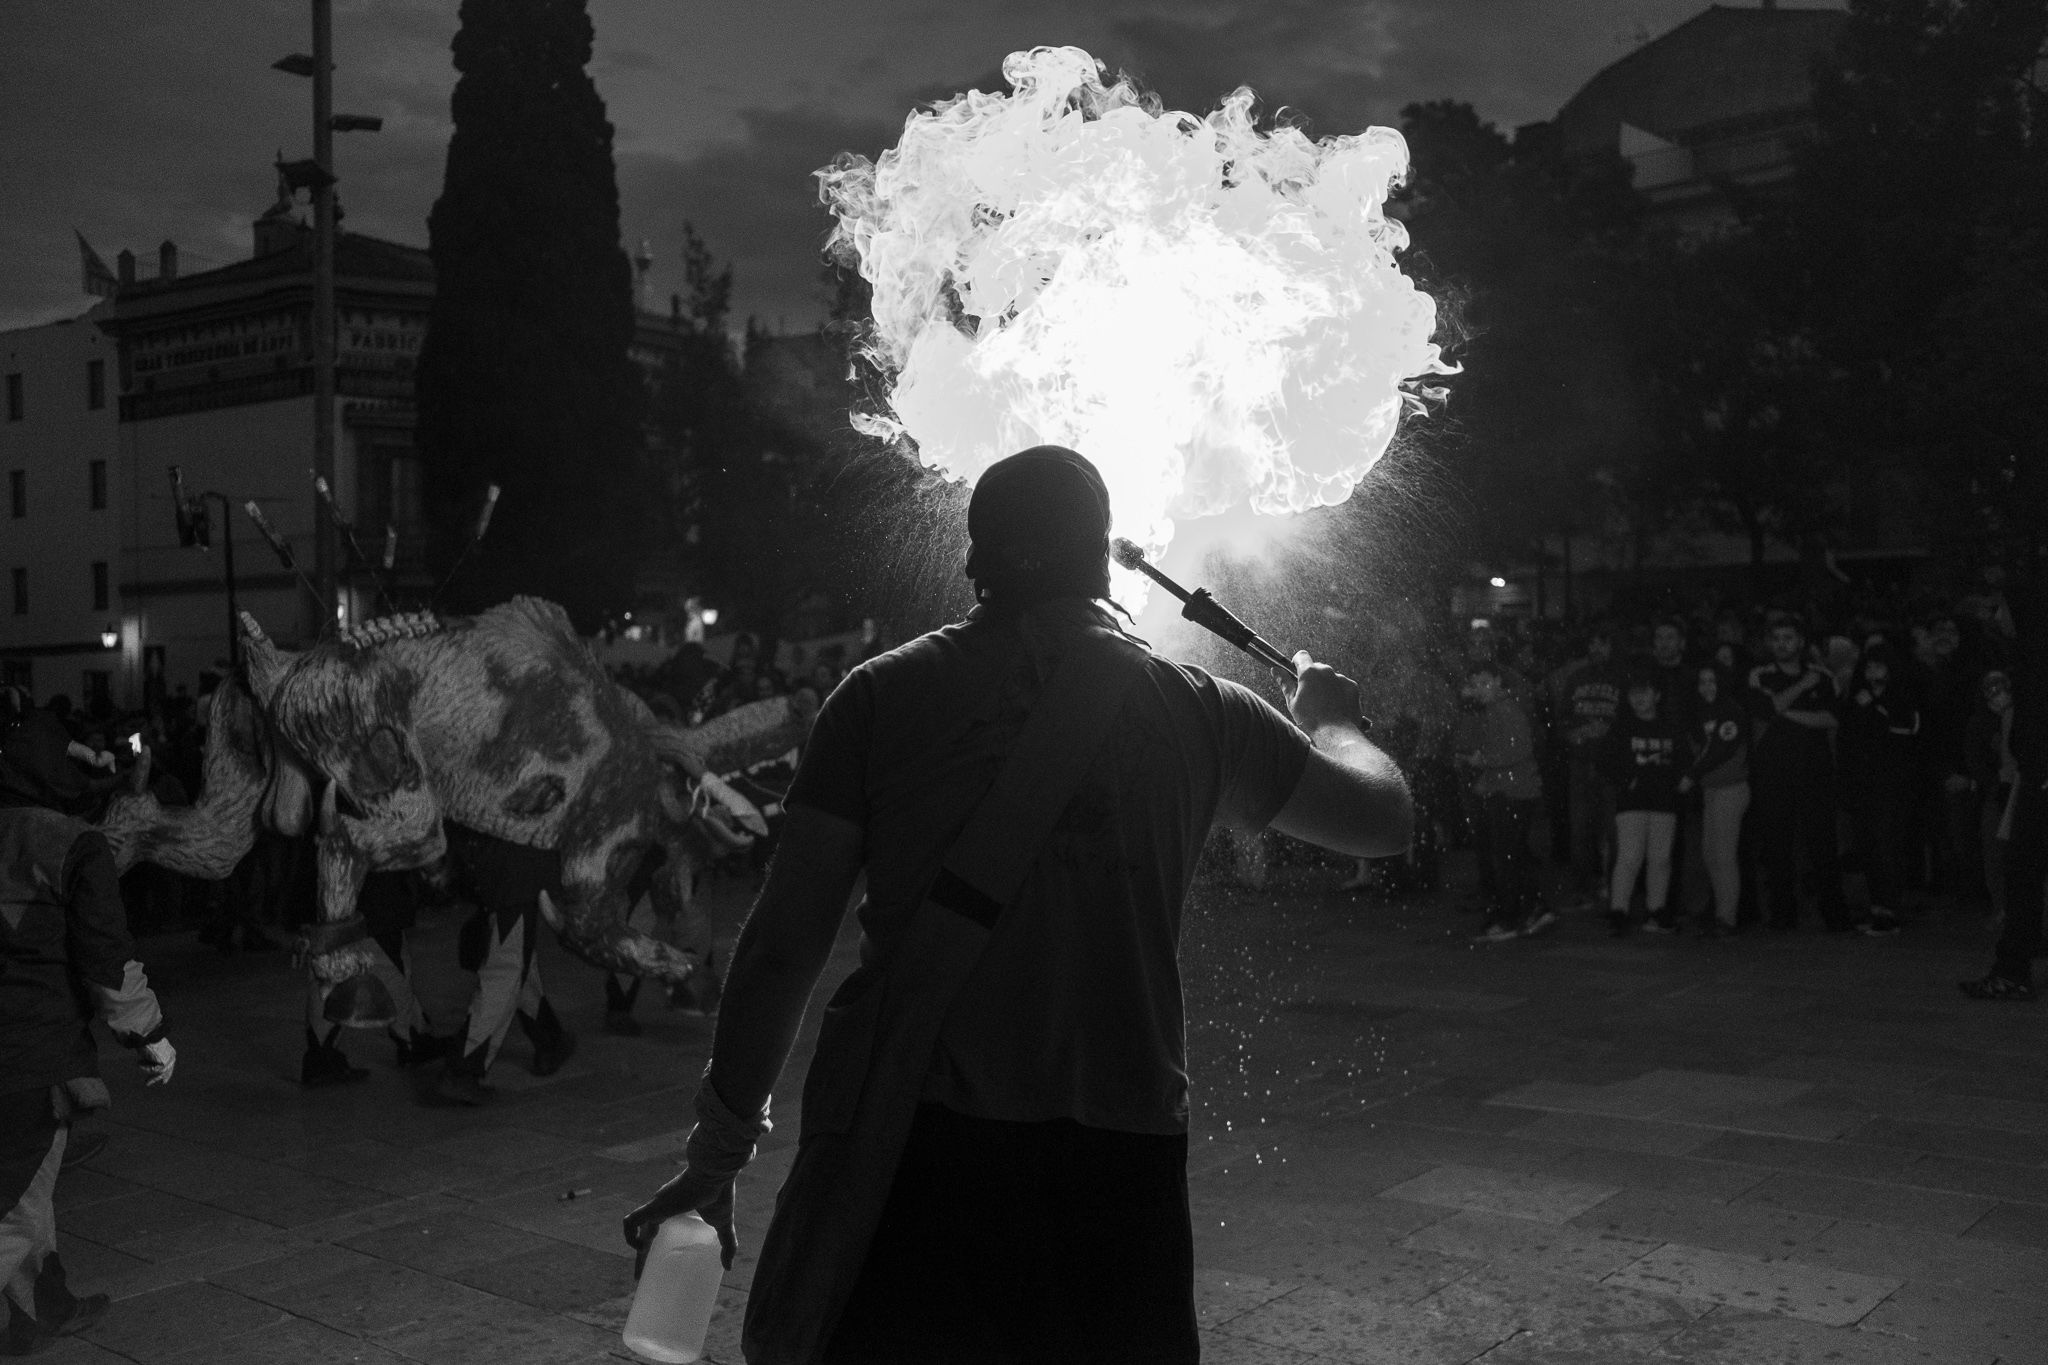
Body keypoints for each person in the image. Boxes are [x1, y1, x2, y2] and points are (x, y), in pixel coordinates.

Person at [621, 445, 1411, 1364]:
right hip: (1119, 1164)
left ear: (972, 561)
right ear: (1106, 553)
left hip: (920, 1155)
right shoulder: (1201, 710)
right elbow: (1383, 817)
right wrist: (1333, 718)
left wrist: (714, 1161)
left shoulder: (879, 697)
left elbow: (782, 949)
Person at [1, 703, 176, 1354]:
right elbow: (106, 963)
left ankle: (42, 1305)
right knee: (15, 1200)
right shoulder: (73, 844)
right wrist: (150, 1033)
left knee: (27, 1190)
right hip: (38, 1055)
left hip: (18, 1054)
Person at [1746, 613, 1851, 931]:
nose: (1782, 644)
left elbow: (1832, 719)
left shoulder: (1823, 674)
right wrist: (1801, 689)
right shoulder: (1760, 675)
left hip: (1814, 771)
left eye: (1788, 638)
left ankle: (1834, 915)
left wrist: (1786, 712)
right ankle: (1782, 915)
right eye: (1776, 639)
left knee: (1823, 845)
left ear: (1801, 642)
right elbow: (1765, 709)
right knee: (1777, 846)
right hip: (1774, 774)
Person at [1455, 659, 1551, 941]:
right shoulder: (1498, 710)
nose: (1480, 690)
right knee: (1514, 855)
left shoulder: (1504, 710)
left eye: (1484, 683)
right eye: (1475, 685)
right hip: (1513, 791)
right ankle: (1533, 908)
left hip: (1513, 793)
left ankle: (1511, 917)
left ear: (1498, 682)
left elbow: (1517, 751)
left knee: (1506, 857)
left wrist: (1481, 761)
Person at [1836, 644, 1919, 936]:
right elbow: (1849, 738)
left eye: (1879, 667)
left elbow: (1903, 735)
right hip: (1863, 786)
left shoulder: (1901, 698)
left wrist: (1872, 706)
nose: (1873, 673)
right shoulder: (1856, 701)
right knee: (1869, 847)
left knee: (1886, 846)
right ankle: (1876, 907)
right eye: (1869, 667)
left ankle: (1889, 910)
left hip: (1892, 787)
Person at [1602, 673, 1686, 934]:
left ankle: (1656, 910)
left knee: (1660, 858)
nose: (1639, 698)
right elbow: (1604, 762)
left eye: (1645, 692)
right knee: (1630, 857)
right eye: (1634, 694)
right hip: (1632, 803)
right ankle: (1619, 911)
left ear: (1657, 696)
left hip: (1664, 802)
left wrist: (1678, 783)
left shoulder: (1669, 727)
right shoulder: (1621, 728)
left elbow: (1683, 759)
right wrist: (1627, 781)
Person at [1551, 625, 1622, 909]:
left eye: (1602, 643)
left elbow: (1630, 718)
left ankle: (1612, 884)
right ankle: (1582, 887)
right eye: (1592, 643)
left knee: (1611, 829)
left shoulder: (1621, 678)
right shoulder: (1576, 679)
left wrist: (1607, 733)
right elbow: (1562, 719)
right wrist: (1574, 734)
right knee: (1580, 829)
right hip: (1580, 763)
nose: (1596, 649)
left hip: (1609, 766)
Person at [1681, 663, 1750, 937]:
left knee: (1723, 854)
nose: (1707, 687)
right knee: (1711, 854)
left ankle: (1727, 917)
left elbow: (1719, 750)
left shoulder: (1731, 712)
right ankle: (1721, 911)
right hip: (1712, 790)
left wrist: (1690, 775)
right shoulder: (1702, 713)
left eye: (1712, 681)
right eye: (1702, 682)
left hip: (1730, 788)